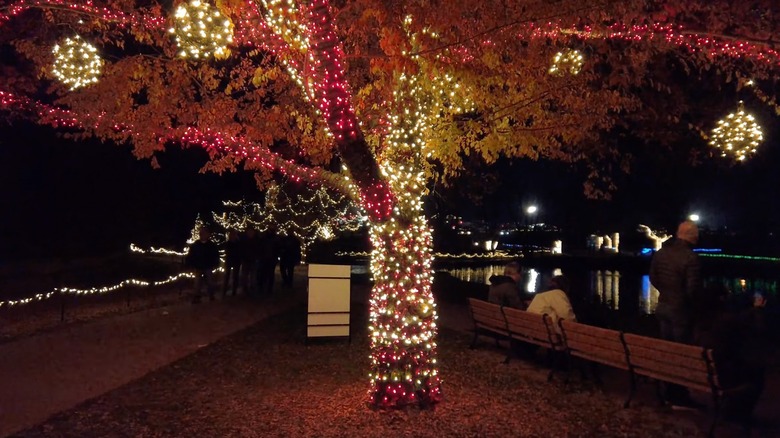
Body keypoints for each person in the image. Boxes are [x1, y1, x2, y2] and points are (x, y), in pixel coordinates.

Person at [694, 286, 768, 426]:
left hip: (706, 373)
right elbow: (757, 330)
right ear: (721, 299)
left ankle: (733, 411)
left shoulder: (702, 322)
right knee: (757, 374)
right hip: (722, 376)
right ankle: (739, 415)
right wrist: (757, 310)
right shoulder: (725, 322)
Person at [649, 220, 702, 408]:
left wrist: (666, 291)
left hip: (663, 307)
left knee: (668, 350)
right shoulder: (690, 258)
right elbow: (692, 290)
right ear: (692, 236)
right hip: (680, 312)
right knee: (681, 354)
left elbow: (653, 277)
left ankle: (669, 391)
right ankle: (679, 395)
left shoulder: (662, 253)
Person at [185, 228, 220, 303]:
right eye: (202, 233)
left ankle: (211, 295)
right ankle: (196, 297)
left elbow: (215, 255)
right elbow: (191, 255)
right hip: (198, 266)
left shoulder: (211, 245)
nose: (203, 235)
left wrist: (215, 263)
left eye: (205, 233)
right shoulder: (195, 245)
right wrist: (190, 263)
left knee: (210, 282)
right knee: (197, 283)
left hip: (208, 266)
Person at [256, 228, 280, 296]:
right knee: (264, 273)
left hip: (270, 258)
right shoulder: (265, 238)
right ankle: (263, 287)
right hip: (265, 258)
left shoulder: (275, 239)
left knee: (269, 274)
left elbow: (277, 248)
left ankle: (268, 288)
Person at [221, 229, 243, 297]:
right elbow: (227, 252)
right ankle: (225, 291)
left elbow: (239, 252)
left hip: (236, 261)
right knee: (227, 276)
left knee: (235, 276)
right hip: (229, 261)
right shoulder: (228, 243)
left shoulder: (238, 243)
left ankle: (234, 290)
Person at [240, 228, 261, 298]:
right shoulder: (244, 240)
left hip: (253, 261)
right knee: (245, 277)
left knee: (253, 277)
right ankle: (245, 289)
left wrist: (257, 257)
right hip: (246, 260)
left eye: (252, 232)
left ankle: (252, 289)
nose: (250, 233)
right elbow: (241, 250)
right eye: (249, 232)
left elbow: (258, 250)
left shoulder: (256, 240)